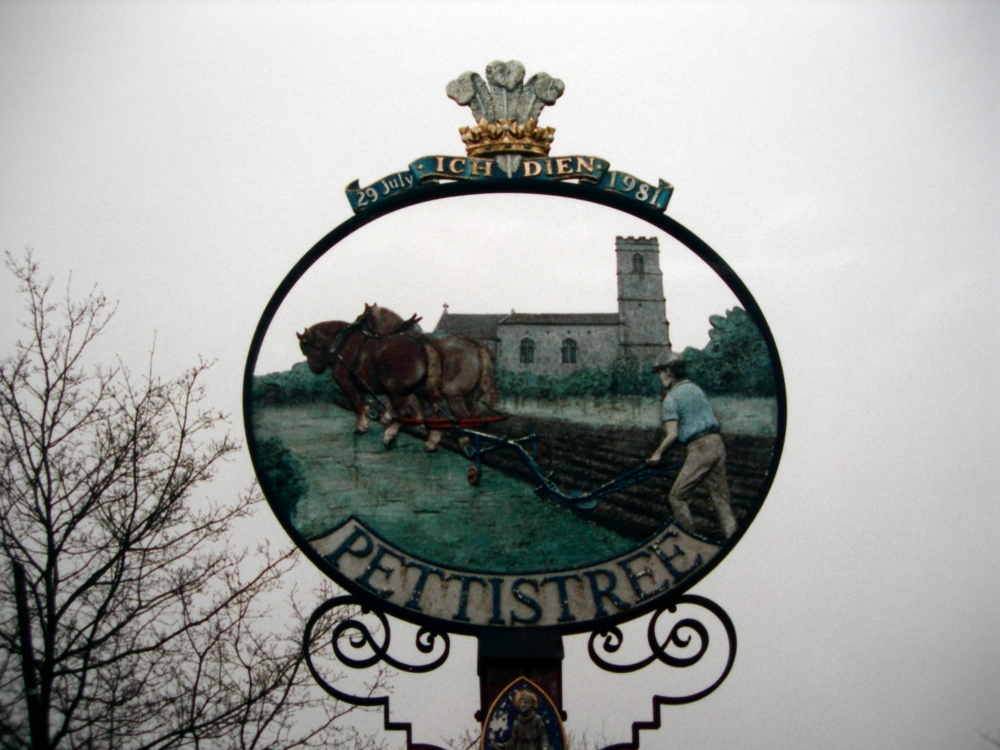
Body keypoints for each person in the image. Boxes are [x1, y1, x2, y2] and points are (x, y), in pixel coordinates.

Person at [647, 356, 738, 539]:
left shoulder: (671, 398)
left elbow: (672, 433)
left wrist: (657, 454)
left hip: (700, 447)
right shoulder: (695, 389)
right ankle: (733, 537)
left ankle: (688, 540)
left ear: (668, 372)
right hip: (717, 443)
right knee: (721, 499)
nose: (659, 377)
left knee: (677, 497)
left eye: (660, 373)